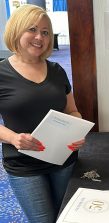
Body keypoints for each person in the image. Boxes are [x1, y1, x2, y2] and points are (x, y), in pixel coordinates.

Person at [0, 4, 85, 223]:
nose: (40, 37)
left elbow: (72, 110)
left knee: (65, 216)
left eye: (45, 32)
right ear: (16, 30)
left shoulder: (57, 70)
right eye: (32, 29)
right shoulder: (1, 73)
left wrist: (77, 130)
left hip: (62, 159)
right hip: (23, 164)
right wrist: (13, 138)